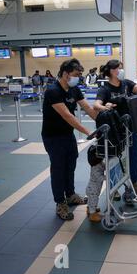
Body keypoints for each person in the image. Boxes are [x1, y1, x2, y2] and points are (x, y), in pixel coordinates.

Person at [41, 58, 98, 221]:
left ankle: (71, 194)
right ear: (65, 74)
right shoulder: (53, 91)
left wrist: (102, 120)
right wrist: (89, 132)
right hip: (53, 137)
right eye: (76, 74)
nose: (78, 77)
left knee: (70, 165)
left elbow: (87, 107)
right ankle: (60, 203)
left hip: (67, 135)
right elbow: (67, 115)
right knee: (58, 169)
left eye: (80, 74)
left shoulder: (74, 90)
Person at [93, 59, 137, 199]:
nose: (121, 71)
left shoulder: (126, 83)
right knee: (114, 158)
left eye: (122, 68)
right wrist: (105, 107)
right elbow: (96, 104)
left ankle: (134, 183)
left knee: (133, 156)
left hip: (130, 126)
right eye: (119, 68)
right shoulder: (105, 89)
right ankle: (114, 186)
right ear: (111, 71)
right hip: (114, 130)